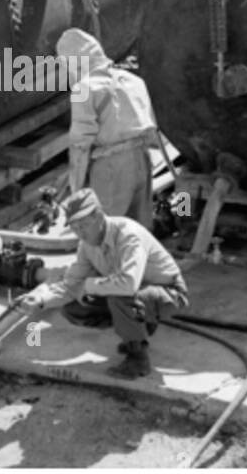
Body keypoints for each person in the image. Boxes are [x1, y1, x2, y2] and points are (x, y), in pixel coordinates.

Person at [16, 188, 189, 380]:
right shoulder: (87, 245)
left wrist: (89, 285)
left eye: (83, 226)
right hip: (136, 294)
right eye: (74, 227)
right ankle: (137, 328)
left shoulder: (128, 235)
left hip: (170, 293)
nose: (79, 233)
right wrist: (40, 299)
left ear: (98, 216)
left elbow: (128, 284)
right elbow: (71, 284)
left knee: (119, 297)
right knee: (74, 308)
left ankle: (138, 358)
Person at [56, 28, 157, 228]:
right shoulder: (133, 80)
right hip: (142, 161)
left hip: (111, 168)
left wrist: (76, 189)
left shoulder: (84, 89)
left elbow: (80, 145)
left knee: (105, 234)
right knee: (139, 232)